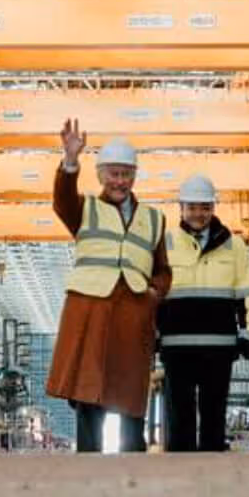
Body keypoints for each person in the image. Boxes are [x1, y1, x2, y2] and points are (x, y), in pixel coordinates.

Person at [47, 123, 170, 452]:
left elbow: (162, 270)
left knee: (130, 396)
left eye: (126, 174)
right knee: (90, 395)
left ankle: (133, 474)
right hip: (92, 312)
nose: (120, 181)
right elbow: (62, 202)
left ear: (134, 177)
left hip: (132, 314)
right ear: (101, 175)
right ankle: (89, 472)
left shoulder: (155, 219)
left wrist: (154, 295)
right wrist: (70, 160)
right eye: (113, 174)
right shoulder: (84, 208)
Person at [156, 173, 249, 452]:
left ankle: (212, 482)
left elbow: (248, 292)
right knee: (180, 418)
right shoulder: (165, 244)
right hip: (177, 348)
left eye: (205, 207)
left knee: (214, 416)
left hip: (219, 347)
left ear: (213, 208)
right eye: (192, 207)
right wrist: (153, 334)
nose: (198, 214)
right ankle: (182, 479)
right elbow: (153, 294)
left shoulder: (234, 245)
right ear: (181, 208)